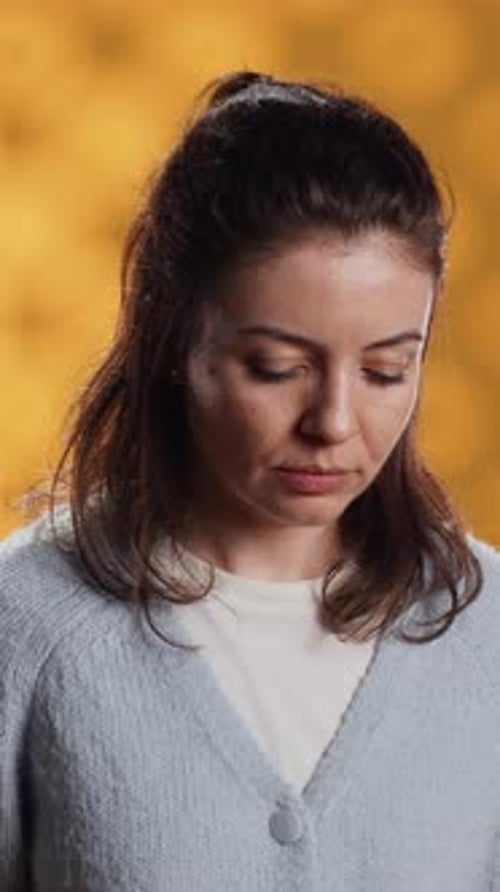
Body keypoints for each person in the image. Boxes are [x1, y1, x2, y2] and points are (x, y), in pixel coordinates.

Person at [1, 70, 499, 892]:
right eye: (275, 367)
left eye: (386, 370)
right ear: (174, 338)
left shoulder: (485, 634)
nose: (334, 422)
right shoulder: (27, 626)